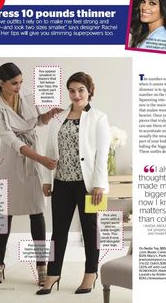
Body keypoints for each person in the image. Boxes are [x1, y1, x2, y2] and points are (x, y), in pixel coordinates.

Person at [0, 62, 60, 286]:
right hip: (12, 157)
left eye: (21, 82)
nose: (19, 86)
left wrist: (48, 114)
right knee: (5, 213)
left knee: (36, 210)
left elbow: (37, 121)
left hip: (33, 153)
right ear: (2, 83)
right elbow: (13, 141)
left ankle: (41, 266)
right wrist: (42, 160)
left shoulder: (25, 93)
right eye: (14, 83)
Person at [36, 72, 110, 295]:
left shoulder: (99, 117)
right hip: (61, 182)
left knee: (90, 230)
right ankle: (53, 273)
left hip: (87, 186)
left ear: (89, 92)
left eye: (81, 90)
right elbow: (50, 150)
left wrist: (99, 184)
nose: (76, 94)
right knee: (58, 231)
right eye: (72, 90)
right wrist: (47, 180)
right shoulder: (58, 117)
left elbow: (101, 155)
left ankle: (90, 273)